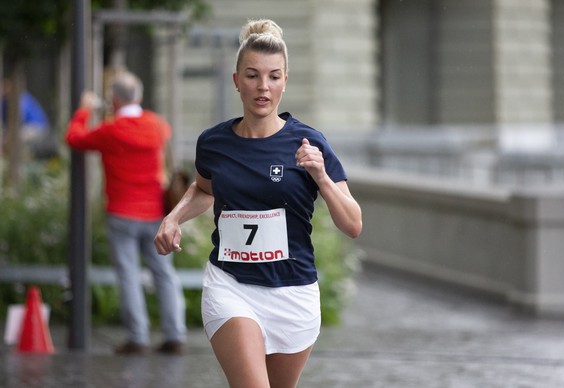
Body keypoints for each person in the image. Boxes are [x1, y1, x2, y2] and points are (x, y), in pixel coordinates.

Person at [154, 19, 362, 386]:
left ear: (285, 81)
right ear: (237, 81)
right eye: (252, 76)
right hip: (231, 285)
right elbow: (204, 190)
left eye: (274, 76)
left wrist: (322, 177)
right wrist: (173, 218)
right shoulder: (213, 143)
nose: (263, 87)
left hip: (293, 292)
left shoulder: (309, 143)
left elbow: (353, 224)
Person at [65, 71, 187, 355]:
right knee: (164, 274)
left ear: (114, 99)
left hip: (122, 213)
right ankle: (175, 335)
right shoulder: (157, 125)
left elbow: (74, 138)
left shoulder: (111, 131)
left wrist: (85, 109)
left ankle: (138, 337)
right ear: (139, 97)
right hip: (156, 213)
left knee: (129, 275)